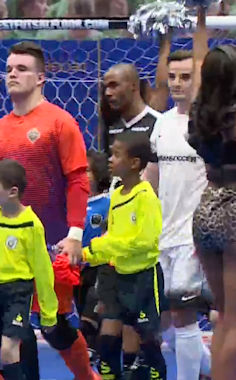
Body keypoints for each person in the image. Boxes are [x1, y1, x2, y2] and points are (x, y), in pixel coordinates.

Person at [0, 40, 98, 380]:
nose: (13, 75)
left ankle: (88, 377)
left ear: (40, 78)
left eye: (21, 69)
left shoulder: (59, 122)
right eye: (8, 69)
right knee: (0, 328)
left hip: (50, 245)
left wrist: (75, 235)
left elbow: (78, 180)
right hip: (6, 249)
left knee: (55, 325)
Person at [144, 11, 213, 378]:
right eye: (172, 77)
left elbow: (201, 60)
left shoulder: (207, 122)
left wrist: (201, 15)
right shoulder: (160, 125)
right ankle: (212, 371)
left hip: (195, 235)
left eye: (185, 77)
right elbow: (151, 179)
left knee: (183, 316)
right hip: (163, 235)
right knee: (167, 321)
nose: (177, 83)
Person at [75, 132, 167, 379]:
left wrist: (101, 248)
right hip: (118, 279)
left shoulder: (146, 197)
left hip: (144, 279)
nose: (110, 160)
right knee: (105, 346)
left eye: (116, 155)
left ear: (135, 163)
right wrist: (86, 254)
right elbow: (111, 237)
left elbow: (144, 241)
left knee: (147, 340)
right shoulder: (115, 197)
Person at [0, 159, 59, 380]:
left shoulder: (31, 225)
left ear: (12, 192)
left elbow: (42, 270)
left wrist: (49, 314)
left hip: (18, 292)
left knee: (8, 349)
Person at [187, 25, 236, 380]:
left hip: (206, 211)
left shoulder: (198, 116)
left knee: (223, 313)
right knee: (234, 318)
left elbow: (202, 69)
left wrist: (200, 23)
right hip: (235, 213)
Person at [75, 150, 111, 360]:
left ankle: (93, 354)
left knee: (90, 317)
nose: (83, 175)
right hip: (77, 268)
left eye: (87, 170)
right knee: (83, 312)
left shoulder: (108, 202)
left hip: (101, 267)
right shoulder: (71, 204)